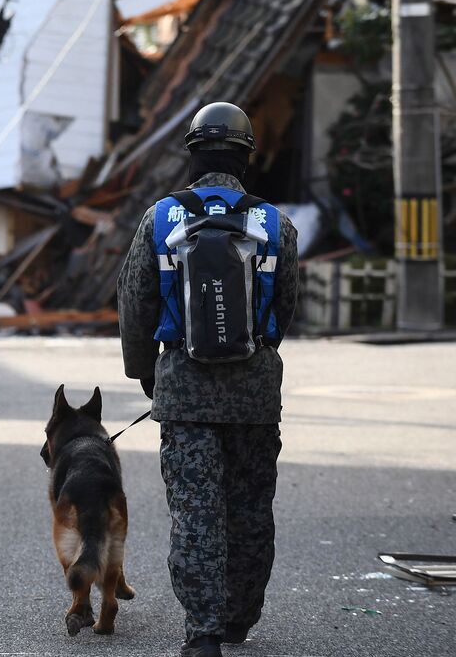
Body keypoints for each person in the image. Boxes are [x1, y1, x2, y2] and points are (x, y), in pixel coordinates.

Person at [117, 102, 299, 657]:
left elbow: (135, 302)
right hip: (255, 394)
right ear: (247, 156)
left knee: (195, 513)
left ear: (192, 155)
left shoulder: (161, 219)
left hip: (184, 390)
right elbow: (285, 306)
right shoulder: (274, 223)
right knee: (249, 509)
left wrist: (146, 372)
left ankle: (202, 633)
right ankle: (239, 619)